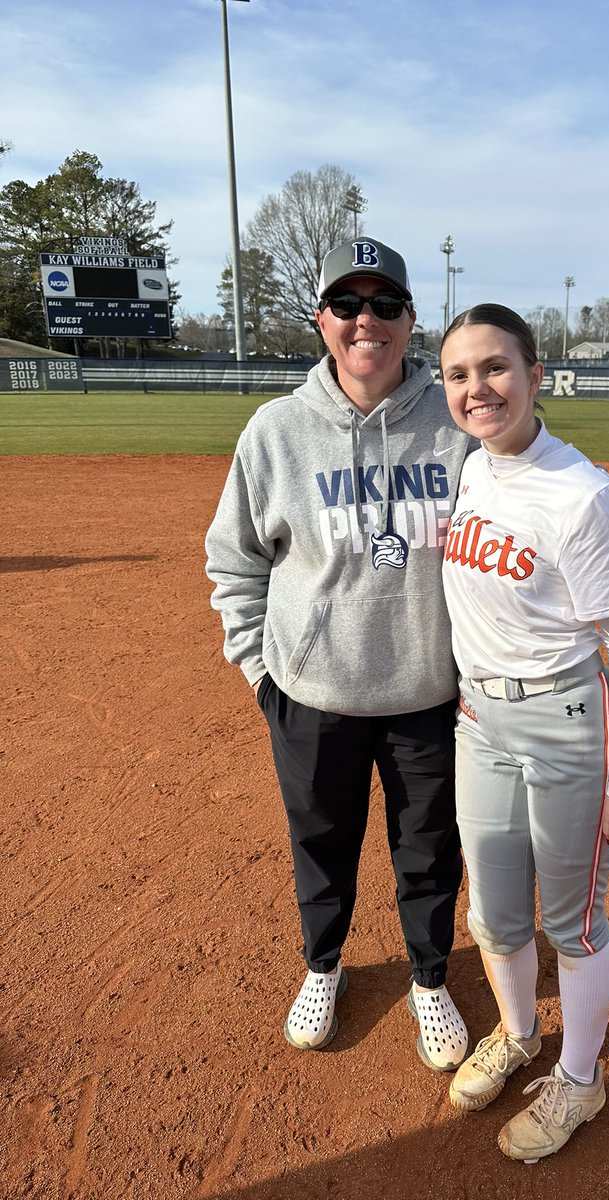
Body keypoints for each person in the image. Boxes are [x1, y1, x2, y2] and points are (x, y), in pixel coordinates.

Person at [205, 238, 474, 1071]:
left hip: (428, 691)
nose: (367, 321)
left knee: (430, 849)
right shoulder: (276, 431)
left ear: (410, 321)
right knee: (320, 842)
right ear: (322, 320)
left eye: (385, 305)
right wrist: (262, 673)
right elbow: (234, 561)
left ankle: (429, 978)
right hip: (312, 693)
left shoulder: (456, 425)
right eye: (348, 305)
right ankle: (323, 966)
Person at [438, 304, 609, 1160]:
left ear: (534, 375)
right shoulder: (471, 469)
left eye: (495, 367)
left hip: (565, 722)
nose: (477, 388)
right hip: (480, 720)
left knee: (573, 921)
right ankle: (520, 1033)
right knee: (493, 911)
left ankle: (580, 1078)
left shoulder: (585, 494)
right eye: (458, 374)